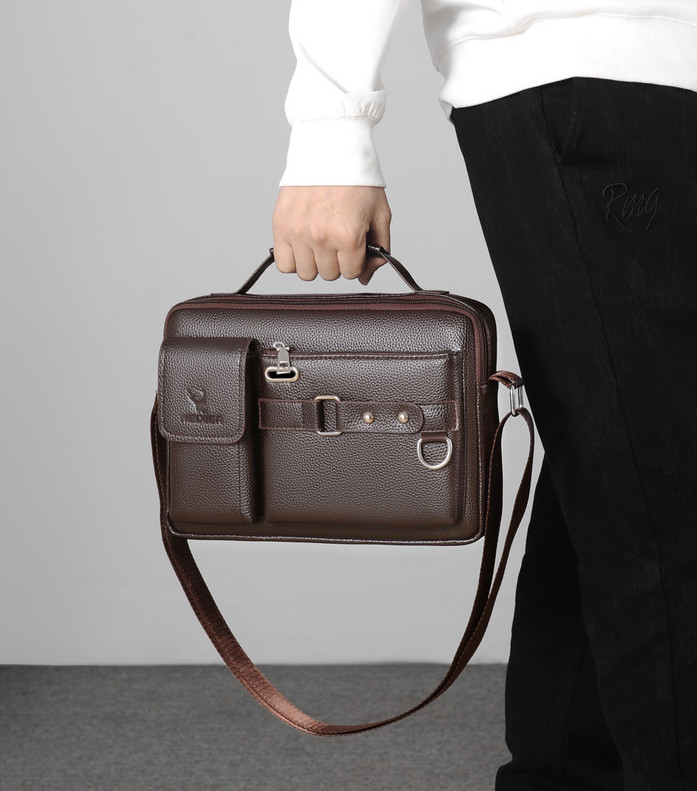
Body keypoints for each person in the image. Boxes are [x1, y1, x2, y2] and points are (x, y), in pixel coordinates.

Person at [271, 2, 697, 790]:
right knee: (659, 486)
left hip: (652, 64)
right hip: (581, 57)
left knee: (628, 458)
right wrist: (330, 127)